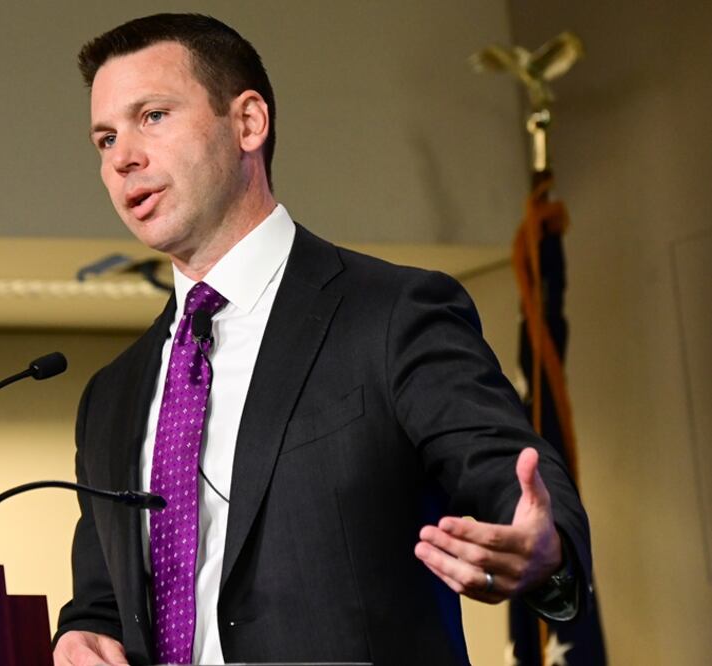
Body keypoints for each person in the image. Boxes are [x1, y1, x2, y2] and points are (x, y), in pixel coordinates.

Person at [54, 13, 592, 666]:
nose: (122, 157)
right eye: (104, 138)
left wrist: (545, 546)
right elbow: (100, 603)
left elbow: (510, 478)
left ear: (248, 122)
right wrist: (79, 637)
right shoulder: (110, 396)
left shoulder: (390, 315)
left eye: (153, 117)